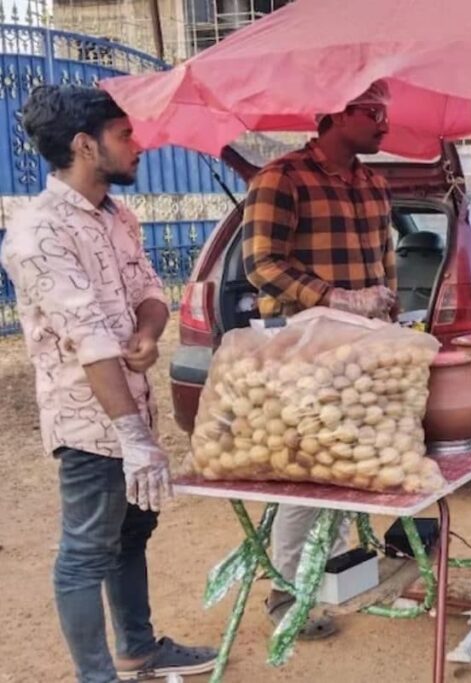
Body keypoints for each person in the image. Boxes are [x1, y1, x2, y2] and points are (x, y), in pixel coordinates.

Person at [0, 85, 217, 682]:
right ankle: (96, 676)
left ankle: (139, 648)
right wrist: (132, 436)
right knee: (85, 551)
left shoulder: (119, 216)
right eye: (124, 135)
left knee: (132, 534)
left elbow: (150, 292)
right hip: (90, 424)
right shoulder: (37, 233)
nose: (138, 144)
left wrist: (147, 334)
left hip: (132, 405)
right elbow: (90, 341)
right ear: (83, 146)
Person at [241, 80, 397, 639]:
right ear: (335, 113)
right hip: (302, 350)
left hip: (361, 357)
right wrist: (333, 296)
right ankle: (287, 591)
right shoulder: (281, 178)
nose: (385, 123)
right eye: (374, 112)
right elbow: (261, 265)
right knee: (305, 476)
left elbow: (385, 264)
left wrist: (387, 314)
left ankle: (326, 577)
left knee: (343, 470)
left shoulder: (374, 182)